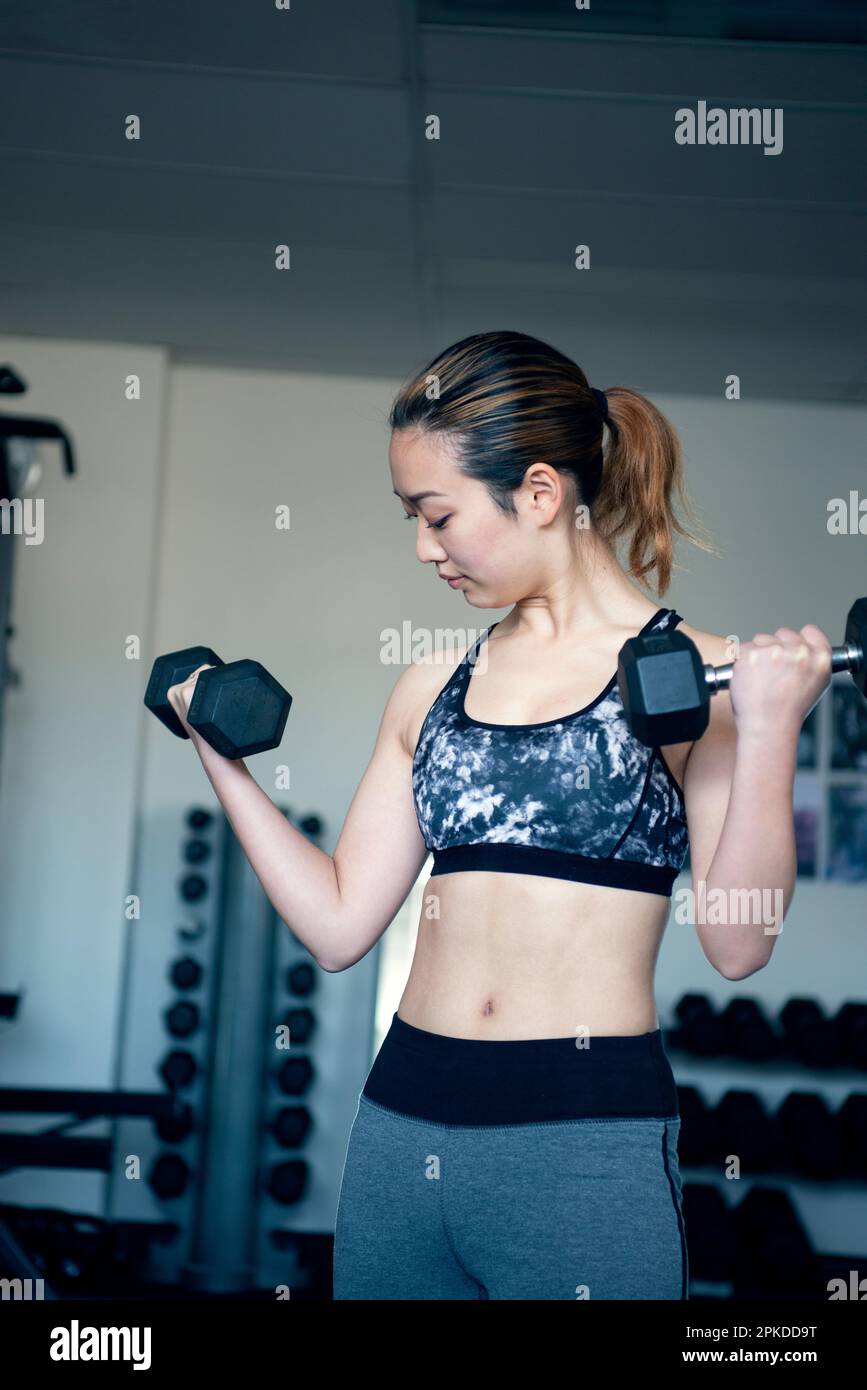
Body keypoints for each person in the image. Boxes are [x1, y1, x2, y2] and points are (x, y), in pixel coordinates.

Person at [168, 330, 834, 1300]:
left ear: (538, 492)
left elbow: (739, 945)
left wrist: (771, 732)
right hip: (402, 1127)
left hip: (580, 1147)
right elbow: (341, 920)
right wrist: (217, 757)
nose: (422, 547)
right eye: (411, 517)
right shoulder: (434, 684)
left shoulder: (692, 676)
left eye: (436, 515)